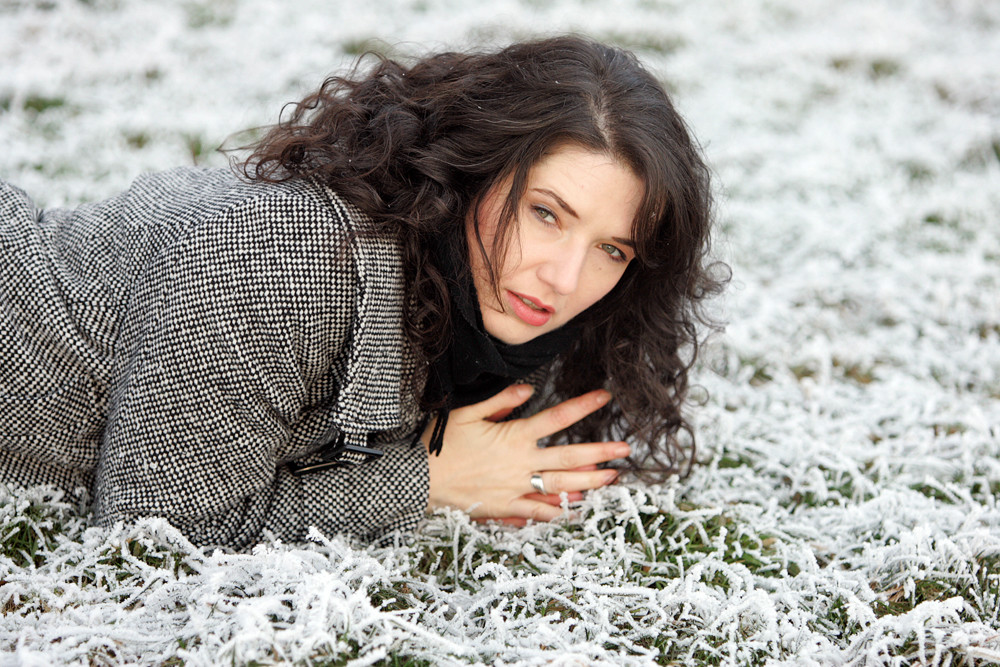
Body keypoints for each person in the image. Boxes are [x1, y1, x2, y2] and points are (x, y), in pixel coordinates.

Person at [0, 35, 724, 549]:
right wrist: (429, 481)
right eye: (546, 213)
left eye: (610, 248)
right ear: (474, 168)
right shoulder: (280, 260)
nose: (565, 280)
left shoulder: (491, 309)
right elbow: (153, 531)